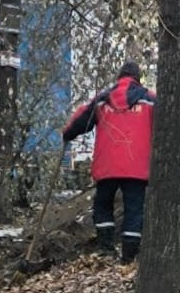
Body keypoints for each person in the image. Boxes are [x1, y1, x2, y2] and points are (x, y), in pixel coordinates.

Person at [62, 61, 155, 263]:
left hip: (107, 166)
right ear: (138, 79)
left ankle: (106, 249)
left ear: (119, 77)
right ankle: (129, 256)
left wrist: (67, 134)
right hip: (137, 166)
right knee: (134, 210)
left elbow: (80, 120)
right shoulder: (150, 99)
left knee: (103, 205)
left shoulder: (103, 99)